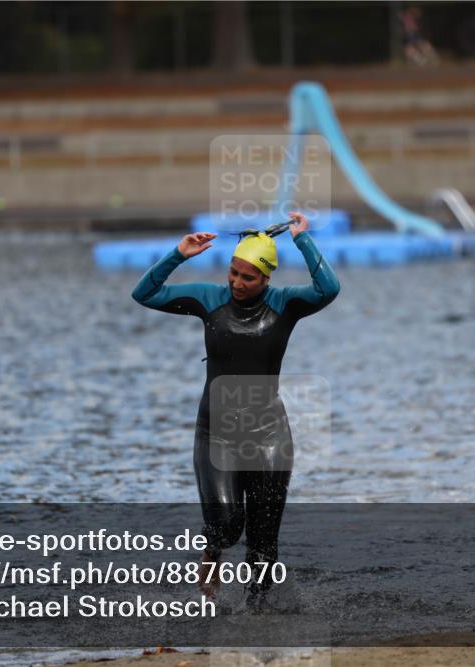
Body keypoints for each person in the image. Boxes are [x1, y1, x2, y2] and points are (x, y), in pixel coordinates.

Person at [131, 212, 340, 603]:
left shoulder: (286, 304)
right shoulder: (210, 299)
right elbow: (144, 294)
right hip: (217, 434)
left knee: (263, 545)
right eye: (233, 273)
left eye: (248, 277)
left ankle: (256, 617)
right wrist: (178, 254)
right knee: (227, 526)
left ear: (266, 279)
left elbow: (328, 289)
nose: (237, 283)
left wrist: (302, 240)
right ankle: (213, 549)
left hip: (270, 435)